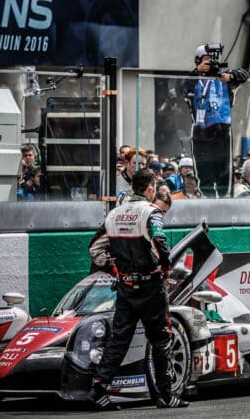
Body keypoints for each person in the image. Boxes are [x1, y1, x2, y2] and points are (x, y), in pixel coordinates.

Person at [87, 169, 188, 410]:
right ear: (151, 188)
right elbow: (160, 241)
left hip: (126, 287)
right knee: (162, 339)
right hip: (150, 287)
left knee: (119, 339)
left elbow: (95, 250)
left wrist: (115, 271)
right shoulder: (151, 212)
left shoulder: (114, 214)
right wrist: (165, 267)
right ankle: (165, 395)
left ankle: (99, 390)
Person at [185, 43, 248, 198]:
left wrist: (231, 76)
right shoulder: (194, 78)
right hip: (201, 129)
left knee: (223, 169)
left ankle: (224, 197)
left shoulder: (223, 76)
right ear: (198, 61)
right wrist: (196, 72)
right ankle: (207, 198)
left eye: (212, 60)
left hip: (221, 128)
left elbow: (244, 75)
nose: (210, 64)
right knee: (203, 169)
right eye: (206, 60)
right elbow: (183, 87)